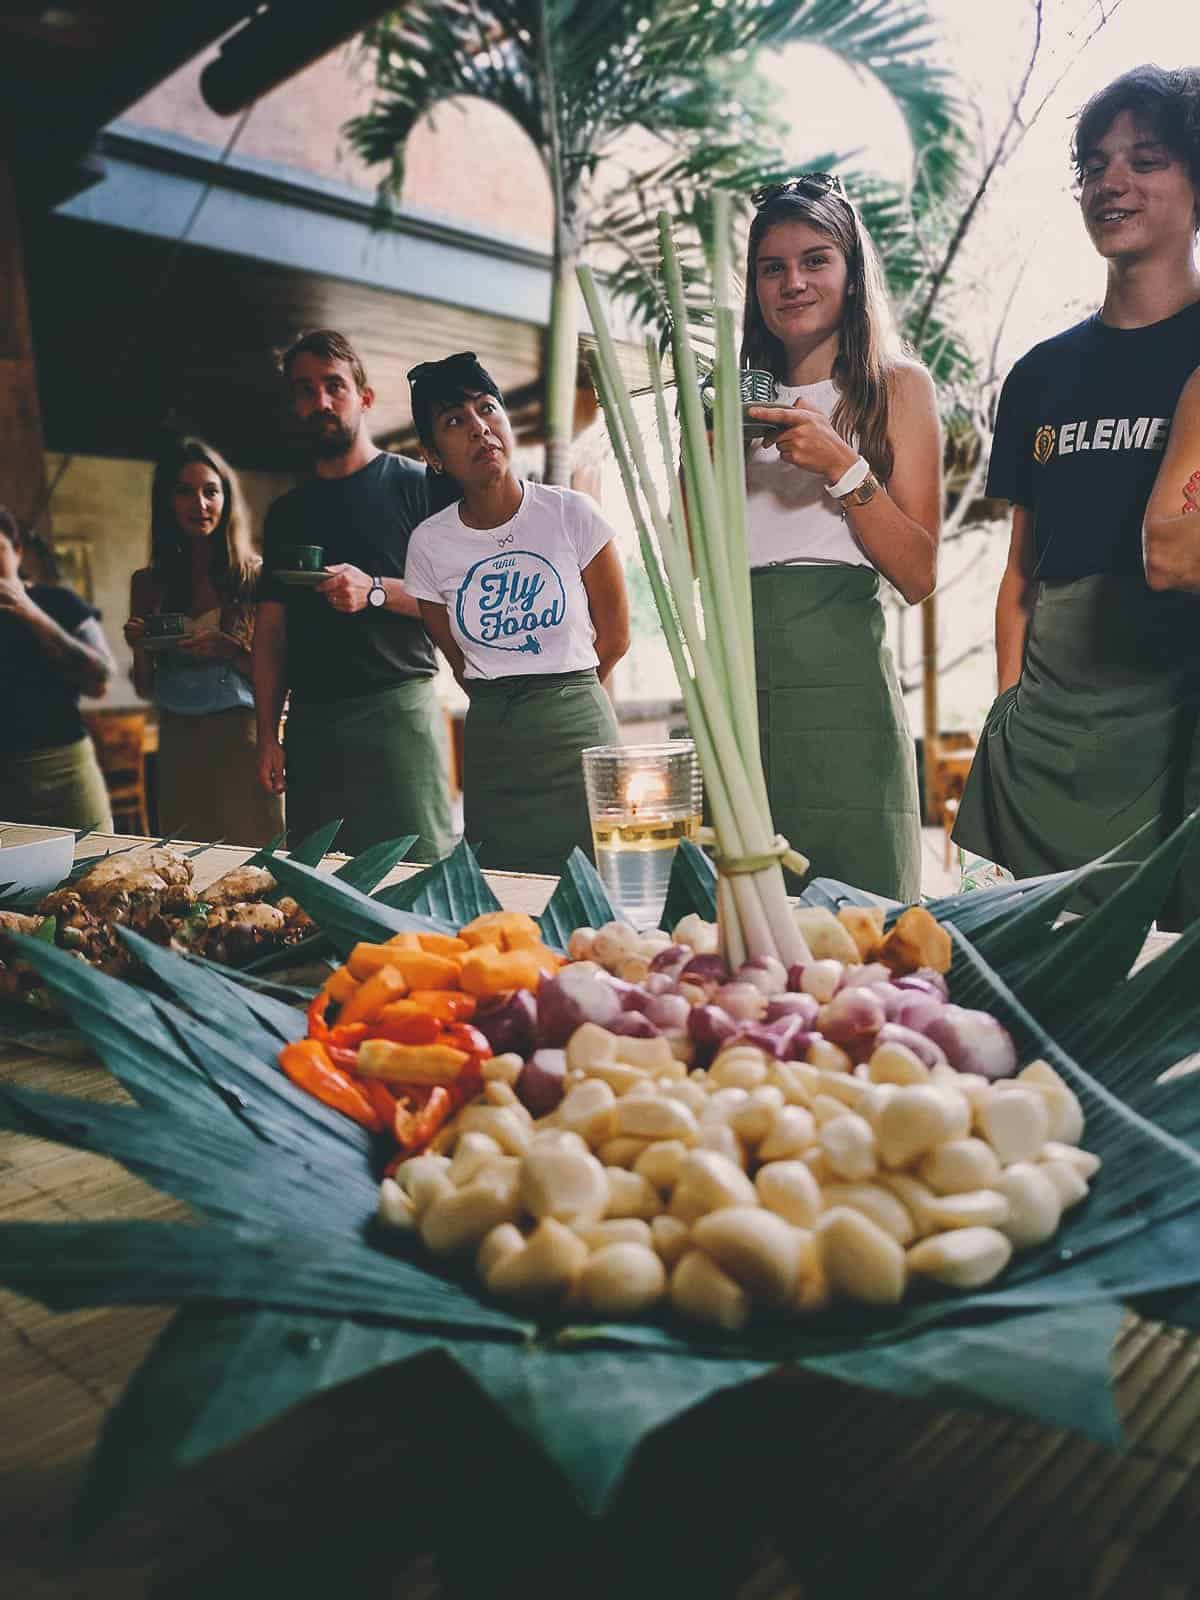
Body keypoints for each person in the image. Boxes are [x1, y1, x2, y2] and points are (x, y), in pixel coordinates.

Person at [952, 65, 1200, 926]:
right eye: (1095, 166)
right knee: (1017, 975)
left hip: (1174, 727)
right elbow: (1020, 571)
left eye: (1148, 159)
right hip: (1045, 731)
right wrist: (1010, 710)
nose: (1112, 183)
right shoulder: (1040, 373)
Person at [741, 173, 942, 902]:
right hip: (741, 701)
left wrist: (842, 465)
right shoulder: (733, 406)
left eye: (815, 259)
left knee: (867, 941)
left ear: (853, 274)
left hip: (848, 704)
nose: (793, 281)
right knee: (742, 947)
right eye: (773, 266)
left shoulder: (897, 388)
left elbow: (918, 574)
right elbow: (697, 563)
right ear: (755, 287)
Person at [403, 351, 630, 875]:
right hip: (495, 744)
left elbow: (615, 637)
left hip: (578, 733)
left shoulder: (572, 514)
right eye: (455, 421)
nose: (480, 429)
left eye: (488, 409)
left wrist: (562, 695)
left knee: (598, 885)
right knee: (505, 890)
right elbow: (457, 660)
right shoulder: (429, 545)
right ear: (434, 455)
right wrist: (512, 700)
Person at [253, 329, 456, 861]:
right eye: (303, 390)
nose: (319, 401)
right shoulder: (284, 514)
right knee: (316, 890)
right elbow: (270, 634)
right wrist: (267, 735)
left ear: (363, 398)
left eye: (333, 385)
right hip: (312, 728)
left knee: (419, 880)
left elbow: (459, 597)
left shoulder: (419, 485)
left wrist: (375, 592)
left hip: (400, 715)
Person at [124, 438, 283, 846]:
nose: (200, 503)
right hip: (176, 741)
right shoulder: (148, 584)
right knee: (185, 861)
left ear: (226, 499)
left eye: (211, 490)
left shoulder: (254, 576)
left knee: (255, 859)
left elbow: (280, 677)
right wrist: (140, 644)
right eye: (184, 491)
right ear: (167, 502)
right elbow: (145, 687)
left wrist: (229, 649)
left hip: (242, 737)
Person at [0, 504, 115, 831]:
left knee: (98, 864)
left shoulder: (61, 603)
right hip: (5, 777)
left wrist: (29, 612)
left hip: (67, 768)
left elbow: (101, 677)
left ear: (18, 552)